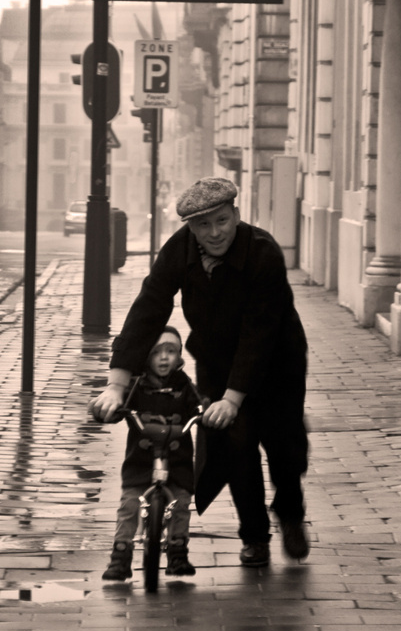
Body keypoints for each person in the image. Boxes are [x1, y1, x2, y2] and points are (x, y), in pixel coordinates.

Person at [93, 176, 310, 568]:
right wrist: (116, 384)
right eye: (203, 225)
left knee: (284, 450)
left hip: (279, 362)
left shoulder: (263, 253)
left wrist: (234, 397)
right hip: (216, 362)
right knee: (235, 448)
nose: (214, 233)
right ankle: (255, 537)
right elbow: (149, 308)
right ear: (190, 228)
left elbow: (259, 332)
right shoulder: (180, 250)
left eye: (222, 221)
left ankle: (291, 513)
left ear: (236, 215)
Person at [98, 326, 202, 581]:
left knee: (180, 503)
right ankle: (121, 556)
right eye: (157, 352)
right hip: (140, 462)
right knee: (130, 505)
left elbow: (200, 403)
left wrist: (206, 412)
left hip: (177, 462)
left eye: (171, 351)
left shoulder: (185, 385)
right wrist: (110, 410)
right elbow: (118, 404)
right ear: (146, 356)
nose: (164, 357)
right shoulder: (136, 386)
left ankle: (178, 552)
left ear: (179, 357)